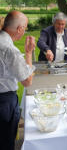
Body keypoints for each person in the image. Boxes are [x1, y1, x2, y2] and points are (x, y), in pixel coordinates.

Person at [0, 11, 35, 150]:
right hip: (4, 103)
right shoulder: (9, 49)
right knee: (6, 143)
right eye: (25, 27)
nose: (24, 31)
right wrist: (28, 53)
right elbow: (27, 81)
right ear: (20, 29)